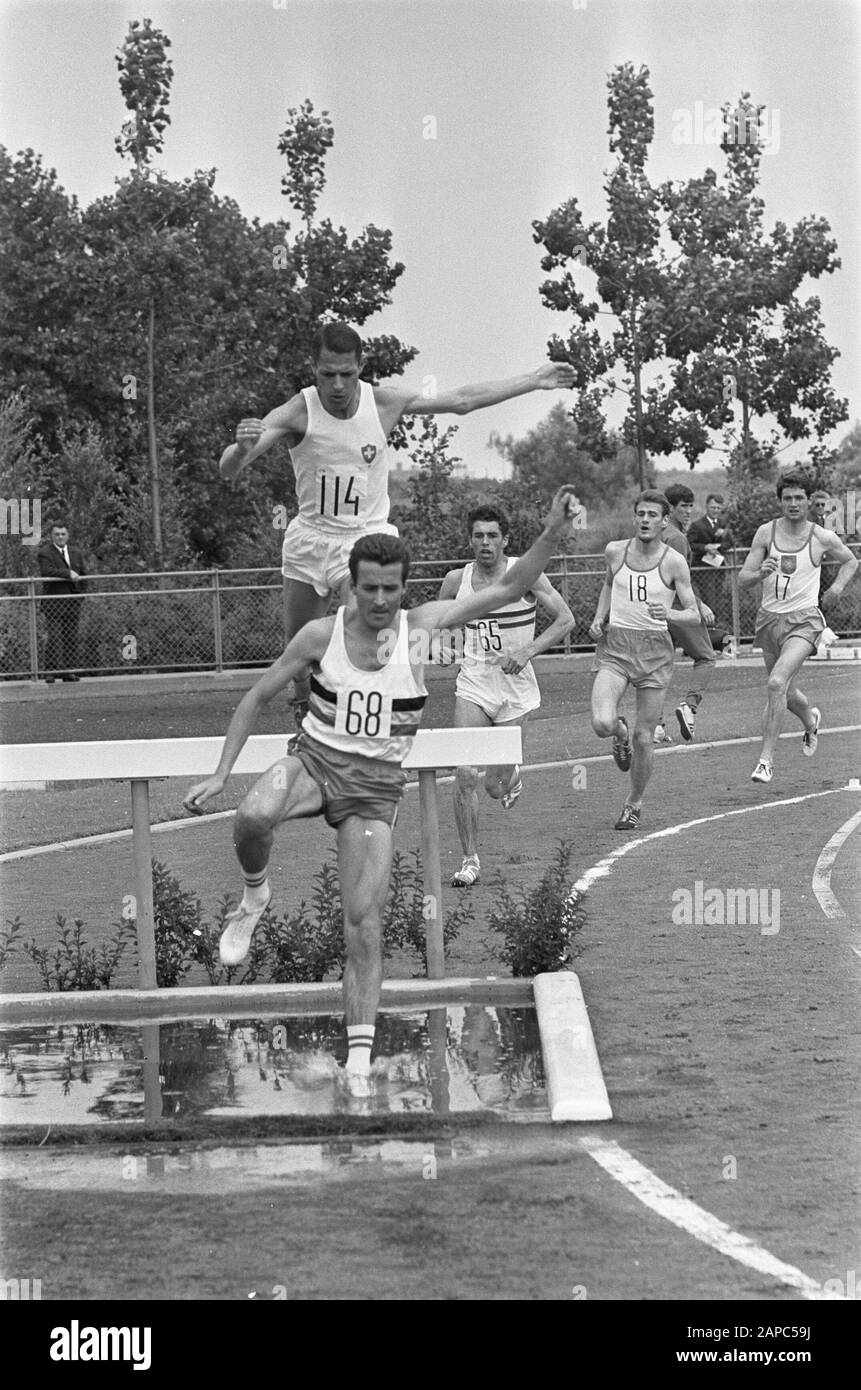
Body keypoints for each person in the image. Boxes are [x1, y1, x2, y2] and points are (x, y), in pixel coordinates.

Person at [183, 486, 579, 1097]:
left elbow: (507, 587)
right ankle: (254, 898)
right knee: (252, 814)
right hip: (315, 763)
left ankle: (360, 1064)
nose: (379, 599)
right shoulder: (320, 636)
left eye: (390, 588)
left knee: (363, 924)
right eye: (368, 587)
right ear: (351, 584)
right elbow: (256, 697)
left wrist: (551, 532)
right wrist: (219, 770)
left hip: (373, 794)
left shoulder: (420, 632)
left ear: (403, 587)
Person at [218, 321, 576, 725]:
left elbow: (462, 400)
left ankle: (371, 720)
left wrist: (535, 379)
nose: (337, 385)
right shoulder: (297, 411)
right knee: (297, 654)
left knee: (365, 632)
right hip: (309, 539)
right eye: (327, 375)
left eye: (347, 374)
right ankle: (304, 700)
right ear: (313, 367)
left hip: (365, 538)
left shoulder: (385, 402)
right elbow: (232, 468)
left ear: (361, 366)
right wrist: (241, 448)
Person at [436, 504, 575, 887]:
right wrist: (444, 647)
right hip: (475, 684)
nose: (485, 542)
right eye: (478, 535)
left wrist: (526, 651)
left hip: (516, 690)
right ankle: (469, 859)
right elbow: (437, 623)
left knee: (493, 787)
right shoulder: (455, 581)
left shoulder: (526, 575)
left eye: (492, 535)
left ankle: (511, 778)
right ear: (470, 539)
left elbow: (566, 620)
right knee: (464, 773)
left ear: (506, 540)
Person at [588, 491, 701, 830]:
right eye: (641, 514)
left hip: (655, 652)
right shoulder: (614, 551)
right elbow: (609, 584)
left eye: (653, 515)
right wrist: (599, 616)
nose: (646, 520)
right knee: (602, 724)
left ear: (665, 521)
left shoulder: (673, 561)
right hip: (617, 646)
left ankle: (633, 803)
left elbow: (694, 614)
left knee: (645, 737)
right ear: (634, 517)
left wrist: (669, 613)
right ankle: (617, 735)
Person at [738, 471, 857, 783]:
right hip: (768, 620)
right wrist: (759, 573)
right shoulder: (766, 533)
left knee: (776, 683)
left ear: (809, 502)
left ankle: (765, 761)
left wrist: (836, 589)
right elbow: (743, 578)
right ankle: (810, 719)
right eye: (787, 498)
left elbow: (851, 561)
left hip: (804, 621)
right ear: (780, 501)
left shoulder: (822, 536)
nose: (793, 503)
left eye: (798, 498)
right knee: (786, 692)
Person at [656, 483, 717, 743]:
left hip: (653, 608)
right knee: (706, 657)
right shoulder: (677, 538)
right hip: (677, 607)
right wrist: (699, 605)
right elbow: (680, 581)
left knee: (658, 667)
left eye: (691, 505)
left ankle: (656, 725)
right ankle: (689, 707)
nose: (689, 510)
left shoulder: (657, 532)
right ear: (670, 509)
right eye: (683, 506)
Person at [37, 522, 86, 682]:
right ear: (52, 536)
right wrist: (68, 573)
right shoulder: (45, 553)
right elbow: (47, 571)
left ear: (68, 535)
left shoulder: (76, 552)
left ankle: (68, 671)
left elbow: (84, 574)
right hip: (54, 603)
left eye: (63, 534)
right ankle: (50, 672)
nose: (60, 537)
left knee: (70, 637)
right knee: (54, 638)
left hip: (72, 602)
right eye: (57, 534)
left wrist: (81, 596)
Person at [688, 493, 734, 619]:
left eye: (718, 508)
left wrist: (718, 546)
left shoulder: (722, 524)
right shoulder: (697, 525)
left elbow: (730, 543)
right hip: (703, 570)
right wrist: (705, 547)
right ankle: (708, 629)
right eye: (713, 507)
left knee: (718, 600)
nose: (716, 511)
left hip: (718, 569)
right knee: (709, 600)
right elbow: (690, 544)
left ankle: (714, 628)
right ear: (707, 507)